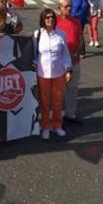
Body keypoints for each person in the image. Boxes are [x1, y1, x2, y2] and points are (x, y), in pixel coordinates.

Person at [34, 8, 73, 140]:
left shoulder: (61, 34)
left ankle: (57, 125)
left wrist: (68, 69)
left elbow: (65, 54)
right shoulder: (37, 34)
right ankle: (45, 126)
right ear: (43, 20)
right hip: (42, 73)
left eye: (52, 17)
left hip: (58, 72)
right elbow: (33, 54)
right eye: (47, 17)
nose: (50, 19)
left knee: (57, 101)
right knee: (45, 102)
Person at [56, 0, 85, 123]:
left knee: (72, 89)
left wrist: (77, 52)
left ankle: (70, 114)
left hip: (74, 59)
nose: (69, 8)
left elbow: (80, 39)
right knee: (59, 90)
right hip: (59, 61)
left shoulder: (76, 21)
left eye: (70, 6)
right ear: (59, 8)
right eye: (66, 6)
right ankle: (57, 115)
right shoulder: (54, 21)